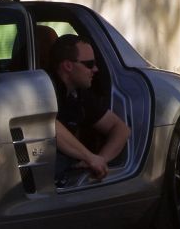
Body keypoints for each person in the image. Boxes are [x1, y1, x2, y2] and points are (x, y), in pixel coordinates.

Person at [47, 34, 129, 182]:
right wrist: (89, 157)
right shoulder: (46, 88)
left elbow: (121, 128)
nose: (96, 69)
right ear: (68, 66)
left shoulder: (79, 92)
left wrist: (100, 160)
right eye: (90, 64)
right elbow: (49, 125)